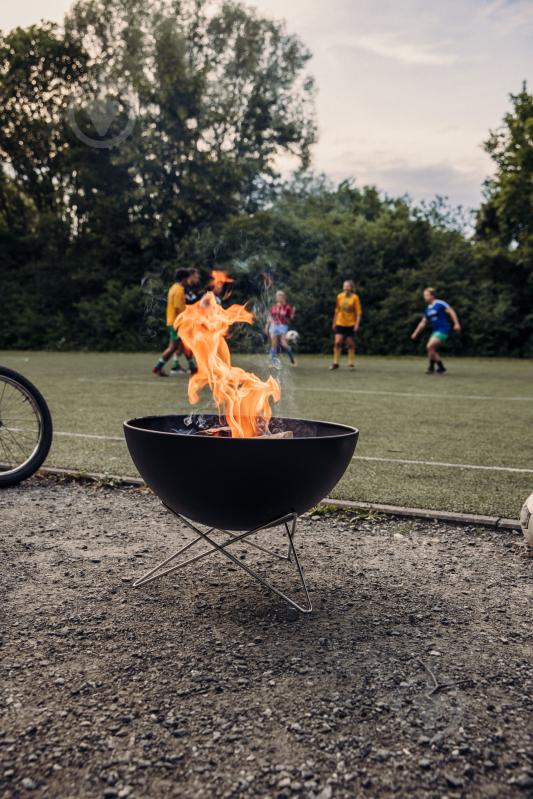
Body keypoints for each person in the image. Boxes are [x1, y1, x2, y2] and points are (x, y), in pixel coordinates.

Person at [152, 269, 195, 377]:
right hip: (177, 322)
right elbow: (179, 307)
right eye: (188, 278)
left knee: (182, 345)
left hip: (173, 321)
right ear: (184, 278)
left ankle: (193, 369)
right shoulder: (179, 290)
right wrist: (188, 318)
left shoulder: (173, 288)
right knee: (175, 347)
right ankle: (157, 368)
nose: (188, 281)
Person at [411, 287, 461, 374]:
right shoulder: (428, 309)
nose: (424, 297)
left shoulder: (440, 303)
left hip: (443, 329)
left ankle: (431, 367)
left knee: (429, 346)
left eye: (426, 295)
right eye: (424, 295)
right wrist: (416, 332)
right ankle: (441, 367)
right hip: (435, 331)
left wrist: (456, 323)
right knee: (431, 349)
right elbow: (423, 322)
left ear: (432, 296)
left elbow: (451, 311)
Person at [330, 280, 362, 370]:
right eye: (344, 286)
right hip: (340, 322)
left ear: (351, 288)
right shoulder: (339, 296)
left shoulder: (355, 298)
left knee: (350, 343)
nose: (346, 288)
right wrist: (334, 322)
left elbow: (358, 312)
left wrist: (357, 324)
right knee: (337, 342)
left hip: (350, 323)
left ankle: (351, 363)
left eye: (348, 286)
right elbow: (336, 310)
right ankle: (335, 363)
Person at [265, 290, 296, 366]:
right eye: (277, 296)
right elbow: (270, 317)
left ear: (283, 297)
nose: (278, 298)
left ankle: (291, 358)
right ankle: (273, 362)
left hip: (283, 326)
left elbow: (290, 317)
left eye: (280, 296)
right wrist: (266, 326)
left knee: (284, 344)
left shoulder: (287, 307)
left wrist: (293, 312)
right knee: (273, 344)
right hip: (274, 325)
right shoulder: (274, 307)